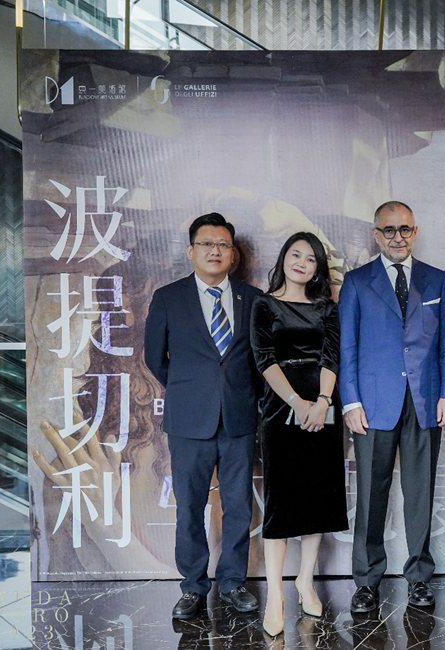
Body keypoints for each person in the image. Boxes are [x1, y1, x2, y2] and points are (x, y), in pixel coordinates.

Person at [339, 200, 445, 613]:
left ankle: (419, 577)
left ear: (415, 231)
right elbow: (347, 347)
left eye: (405, 229)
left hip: (426, 400)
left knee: (420, 493)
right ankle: (367, 581)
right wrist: (350, 401)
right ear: (376, 234)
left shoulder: (436, 280)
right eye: (389, 230)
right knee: (371, 495)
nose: (398, 237)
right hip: (372, 404)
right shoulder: (356, 282)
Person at [143, 212, 262, 619]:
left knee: (238, 507)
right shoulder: (168, 298)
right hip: (189, 420)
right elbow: (155, 359)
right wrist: (190, 389)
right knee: (190, 506)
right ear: (191, 251)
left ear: (233, 253)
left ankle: (232, 583)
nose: (215, 250)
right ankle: (192, 586)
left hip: (239, 418)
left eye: (223, 245)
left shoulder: (252, 299)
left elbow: (260, 361)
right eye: (207, 244)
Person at [250, 232, 348, 637]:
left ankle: (305, 581)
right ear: (283, 259)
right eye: (296, 255)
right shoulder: (264, 304)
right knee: (281, 502)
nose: (302, 263)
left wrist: (322, 402)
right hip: (280, 408)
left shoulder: (327, 309)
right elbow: (264, 359)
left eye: (310, 259)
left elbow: (332, 356)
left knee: (315, 498)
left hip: (323, 408)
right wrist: (296, 402)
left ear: (318, 269)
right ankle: (275, 594)